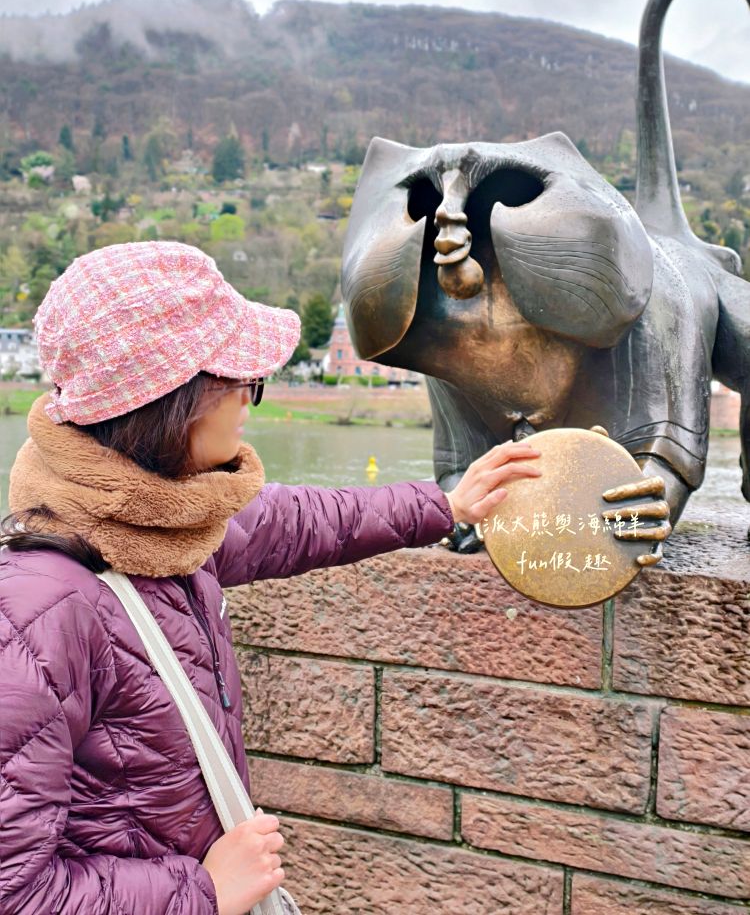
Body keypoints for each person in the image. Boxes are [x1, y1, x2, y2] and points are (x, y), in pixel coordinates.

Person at [0, 242, 541, 915]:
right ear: (174, 401)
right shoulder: (40, 609)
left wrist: (445, 507)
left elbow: (303, 520)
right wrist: (204, 892)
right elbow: (16, 890)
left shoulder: (169, 521)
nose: (252, 403)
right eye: (243, 382)